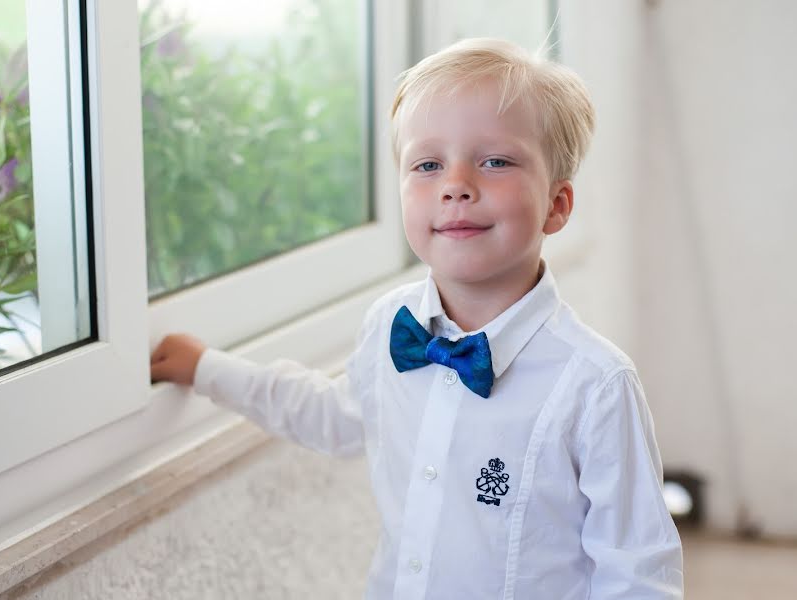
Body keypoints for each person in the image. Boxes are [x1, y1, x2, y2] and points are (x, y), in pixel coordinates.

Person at [150, 38, 684, 599]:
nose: (456, 185)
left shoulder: (596, 385)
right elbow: (333, 416)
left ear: (556, 203)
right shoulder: (390, 324)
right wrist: (207, 369)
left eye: (495, 161)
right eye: (428, 164)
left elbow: (637, 573)